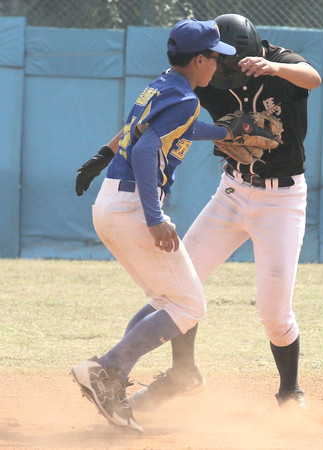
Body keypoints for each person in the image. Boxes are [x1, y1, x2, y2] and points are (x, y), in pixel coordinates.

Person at [128, 13, 322, 411]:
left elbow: (313, 78)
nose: (225, 73)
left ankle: (290, 391)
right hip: (232, 191)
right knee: (183, 284)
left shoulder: (276, 60)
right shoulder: (207, 74)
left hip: (282, 201)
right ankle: (184, 374)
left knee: (274, 313)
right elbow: (167, 116)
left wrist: (275, 68)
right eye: (219, 63)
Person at [71, 18, 236, 432]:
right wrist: (156, 217)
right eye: (215, 57)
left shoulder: (162, 85)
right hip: (133, 207)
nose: (217, 65)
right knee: (190, 305)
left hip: (112, 202)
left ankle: (114, 383)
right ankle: (107, 370)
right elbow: (146, 149)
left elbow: (159, 130)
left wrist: (225, 132)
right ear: (199, 59)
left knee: (168, 301)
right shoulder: (185, 99)